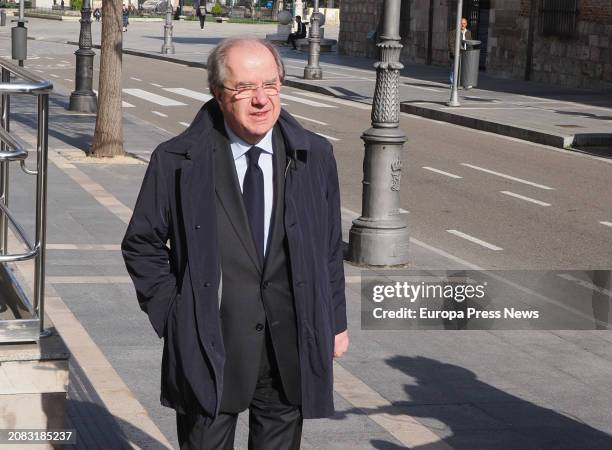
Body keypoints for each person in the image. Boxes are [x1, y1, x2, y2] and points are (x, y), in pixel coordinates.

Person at [122, 37, 349, 449]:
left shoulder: (313, 155)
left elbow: (329, 248)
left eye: (271, 85)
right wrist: (175, 317)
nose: (261, 100)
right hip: (211, 347)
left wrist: (334, 322)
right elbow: (142, 244)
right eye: (244, 88)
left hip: (289, 345)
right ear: (217, 94)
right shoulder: (177, 159)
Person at [448, 17, 472, 87]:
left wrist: (470, 53)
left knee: (465, 69)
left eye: (464, 23)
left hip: (465, 53)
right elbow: (450, 44)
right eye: (461, 23)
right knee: (454, 69)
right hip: (456, 53)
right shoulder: (453, 32)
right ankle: (453, 83)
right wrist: (454, 53)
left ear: (466, 24)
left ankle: (465, 83)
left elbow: (470, 43)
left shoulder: (468, 32)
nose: (463, 25)